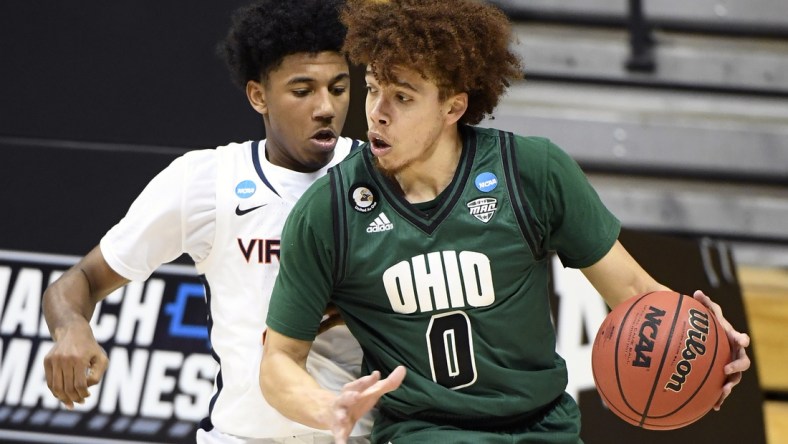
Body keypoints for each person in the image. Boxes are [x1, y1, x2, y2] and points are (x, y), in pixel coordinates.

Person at [259, 0, 753, 443]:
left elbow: (632, 290)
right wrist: (328, 406)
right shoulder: (331, 211)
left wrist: (704, 341)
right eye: (372, 89)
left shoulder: (531, 171)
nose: (377, 114)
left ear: (453, 106)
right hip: (426, 432)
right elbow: (279, 358)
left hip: (546, 425)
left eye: (403, 97)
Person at [41, 0, 373, 442]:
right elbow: (80, 279)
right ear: (259, 96)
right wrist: (72, 329)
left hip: (359, 435)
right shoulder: (207, 180)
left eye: (338, 87)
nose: (326, 107)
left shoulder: (379, 174)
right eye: (302, 90)